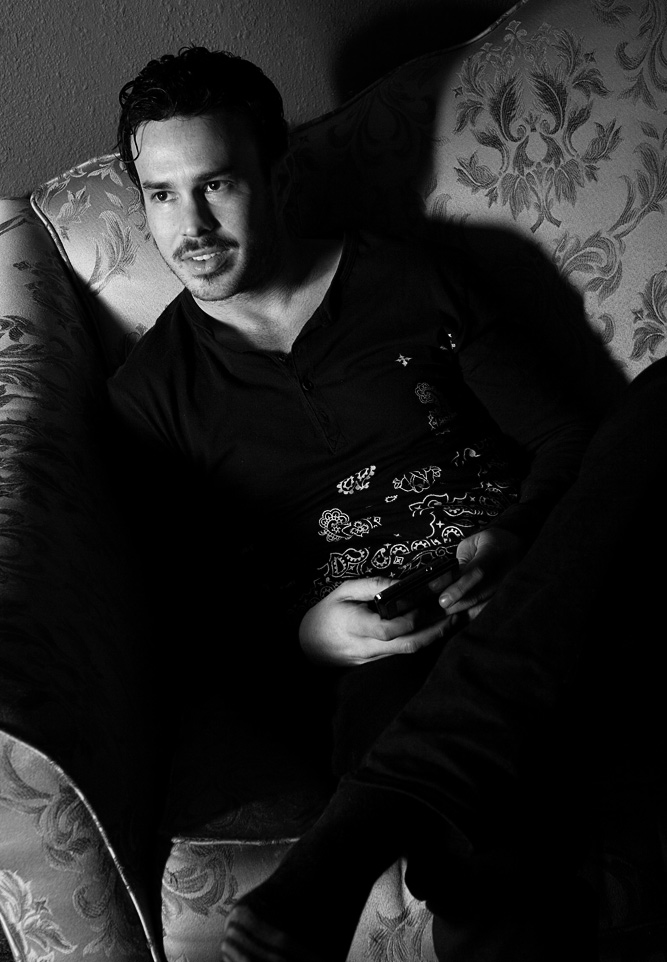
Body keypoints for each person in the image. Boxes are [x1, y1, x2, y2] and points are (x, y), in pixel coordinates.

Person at [109, 46, 610, 961]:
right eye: (161, 195)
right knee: (445, 762)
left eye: (216, 185)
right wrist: (309, 634)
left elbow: (570, 440)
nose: (191, 225)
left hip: (540, 577)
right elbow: (185, 611)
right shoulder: (151, 397)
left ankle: (338, 861)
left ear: (277, 175)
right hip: (386, 657)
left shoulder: (414, 280)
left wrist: (514, 537)